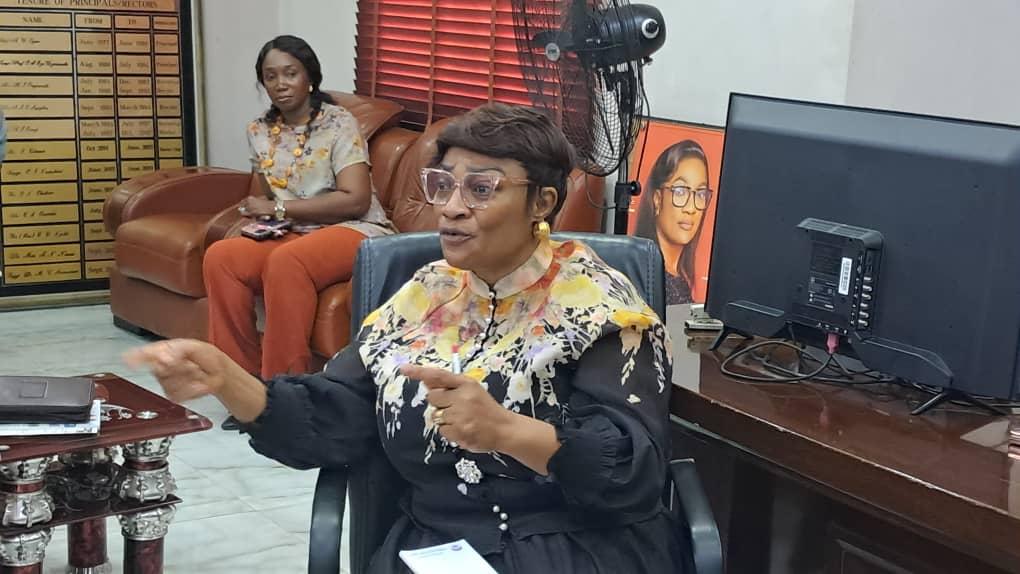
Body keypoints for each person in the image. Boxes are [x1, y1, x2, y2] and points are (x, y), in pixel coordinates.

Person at [127, 104, 688, 573]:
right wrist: (231, 381)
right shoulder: (424, 297)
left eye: (482, 188)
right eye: (442, 185)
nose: (451, 206)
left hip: (575, 546)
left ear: (542, 202)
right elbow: (338, 415)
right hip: (440, 546)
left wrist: (506, 430)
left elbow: (632, 470)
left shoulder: (598, 303)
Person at [202, 35, 395, 382]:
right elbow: (266, 195)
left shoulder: (338, 124)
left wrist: (277, 209)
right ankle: (241, 383)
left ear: (310, 78)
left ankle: (285, 388)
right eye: (270, 76)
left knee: (286, 262)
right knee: (222, 258)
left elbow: (355, 199)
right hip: (293, 231)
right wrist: (258, 215)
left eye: (290, 73)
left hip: (355, 229)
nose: (280, 84)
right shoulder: (259, 130)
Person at [634, 140, 714, 305]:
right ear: (657, 199)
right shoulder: (645, 279)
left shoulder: (679, 278)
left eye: (700, 194)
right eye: (680, 191)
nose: (691, 208)